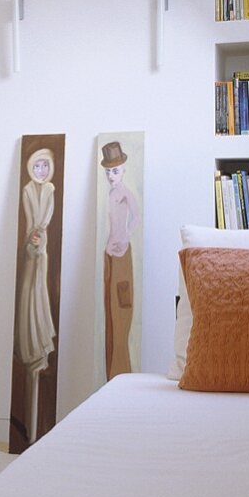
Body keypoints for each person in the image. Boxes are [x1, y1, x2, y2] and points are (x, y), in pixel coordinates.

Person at [16, 147, 56, 443]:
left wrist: (40, 243)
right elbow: (32, 230)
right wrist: (34, 242)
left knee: (38, 303)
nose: (41, 170)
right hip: (31, 264)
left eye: (46, 165)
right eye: (37, 165)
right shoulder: (29, 191)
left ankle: (35, 432)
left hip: (40, 262)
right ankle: (28, 433)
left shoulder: (50, 190)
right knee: (29, 309)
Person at [101, 141, 140, 380]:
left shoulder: (125, 193)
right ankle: (110, 373)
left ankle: (121, 371)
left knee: (121, 311)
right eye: (107, 171)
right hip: (109, 255)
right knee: (109, 315)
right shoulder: (111, 193)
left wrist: (124, 237)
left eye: (115, 171)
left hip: (122, 255)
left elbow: (136, 217)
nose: (111, 175)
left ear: (124, 169)